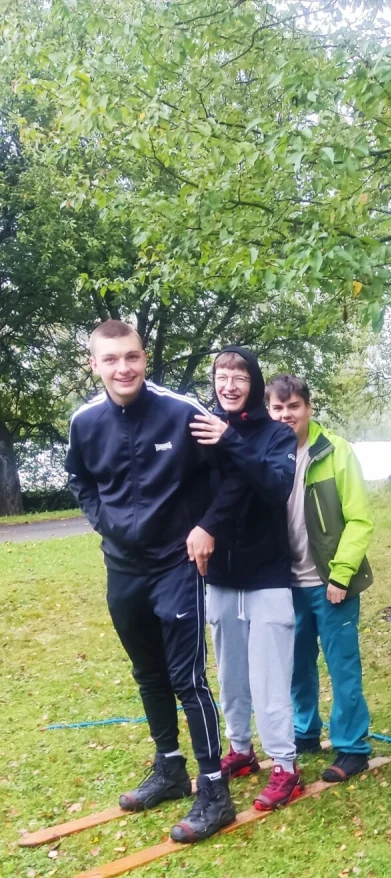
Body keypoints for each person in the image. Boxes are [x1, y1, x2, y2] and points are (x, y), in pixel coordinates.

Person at [66, 319, 237, 843]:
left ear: (144, 358)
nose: (124, 368)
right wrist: (106, 525)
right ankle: (168, 768)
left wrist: (206, 526)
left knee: (189, 678)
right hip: (123, 568)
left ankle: (214, 791)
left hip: (176, 565)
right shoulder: (85, 422)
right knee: (148, 673)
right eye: (111, 359)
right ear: (93, 365)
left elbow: (230, 473)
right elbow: (80, 477)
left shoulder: (182, 411)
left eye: (132, 357)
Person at [193, 345, 304, 810]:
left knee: (269, 677)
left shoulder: (275, 434)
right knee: (231, 673)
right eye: (222, 374)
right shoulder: (198, 429)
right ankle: (240, 749)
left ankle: (286, 767)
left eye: (240, 375)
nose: (230, 384)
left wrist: (230, 440)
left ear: (254, 382)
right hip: (218, 576)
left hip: (267, 576)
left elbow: (275, 486)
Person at [266, 374, 373, 782]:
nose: (285, 415)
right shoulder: (267, 454)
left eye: (293, 406)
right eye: (277, 408)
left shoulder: (336, 452)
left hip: (331, 584)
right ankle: (304, 731)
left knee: (342, 665)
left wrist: (341, 574)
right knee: (296, 665)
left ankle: (351, 747)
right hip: (285, 585)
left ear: (308, 408)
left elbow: (360, 520)